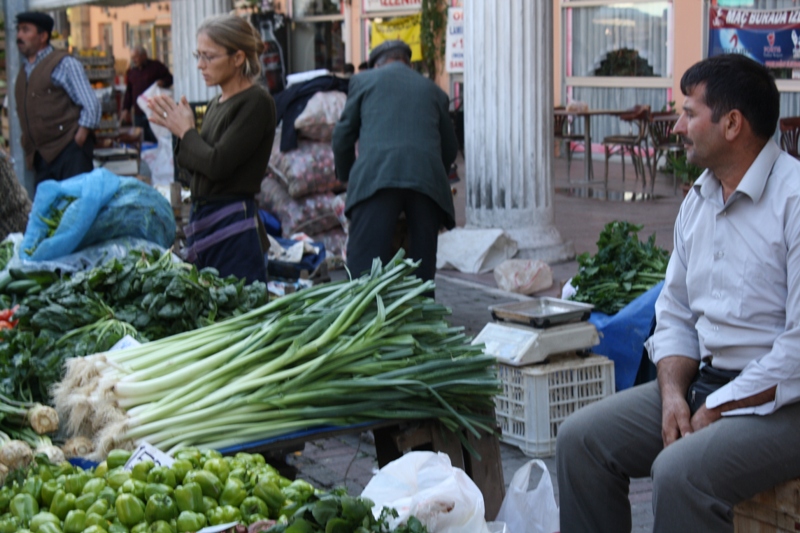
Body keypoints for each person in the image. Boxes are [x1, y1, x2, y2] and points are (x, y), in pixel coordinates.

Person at [556, 53, 800, 533]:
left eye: (690, 113)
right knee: (579, 440)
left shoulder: (793, 199)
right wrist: (672, 395)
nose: (677, 125)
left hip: (783, 404)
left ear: (732, 124)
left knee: (679, 473)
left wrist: (716, 407)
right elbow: (675, 312)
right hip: (706, 384)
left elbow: (797, 351)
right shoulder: (700, 198)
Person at [148, 14, 275, 285]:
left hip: (233, 231)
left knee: (236, 316)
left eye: (209, 57)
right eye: (198, 55)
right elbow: (193, 163)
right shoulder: (218, 101)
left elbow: (217, 164)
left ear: (238, 58)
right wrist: (180, 131)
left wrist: (186, 131)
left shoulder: (256, 102)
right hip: (207, 222)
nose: (200, 65)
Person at [332, 40, 458, 283]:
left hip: (376, 177)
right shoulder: (433, 91)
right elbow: (450, 147)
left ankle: (367, 315)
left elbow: (342, 137)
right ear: (408, 64)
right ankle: (423, 313)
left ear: (376, 66)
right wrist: (429, 172)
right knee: (421, 272)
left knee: (364, 272)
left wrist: (348, 176)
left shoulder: (363, 82)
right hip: (427, 180)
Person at [15, 11, 100, 186]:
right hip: (42, 157)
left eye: (25, 30)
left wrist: (79, 138)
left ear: (43, 36)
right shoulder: (24, 71)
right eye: (18, 30)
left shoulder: (63, 63)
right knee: (51, 211)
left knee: (76, 207)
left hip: (69, 152)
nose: (19, 36)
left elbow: (91, 105)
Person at [120, 46, 173, 143]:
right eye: (132, 58)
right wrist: (126, 109)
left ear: (144, 56)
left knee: (157, 140)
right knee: (141, 141)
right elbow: (129, 92)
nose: (133, 60)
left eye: (136, 57)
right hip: (138, 114)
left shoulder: (156, 66)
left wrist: (162, 82)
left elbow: (170, 79)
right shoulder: (132, 72)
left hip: (155, 112)